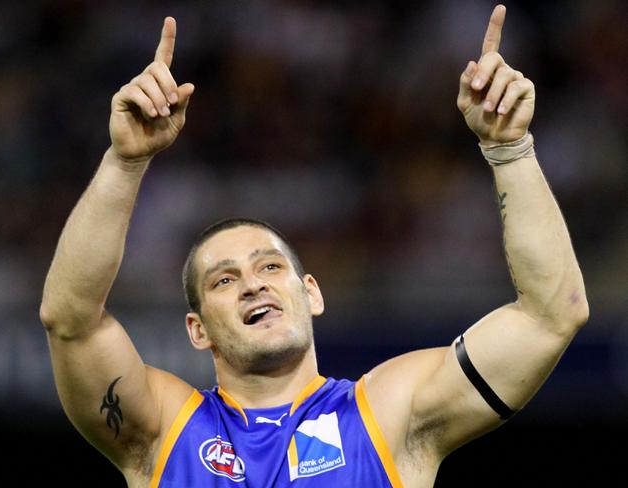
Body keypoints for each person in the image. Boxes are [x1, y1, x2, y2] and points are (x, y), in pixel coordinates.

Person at [40, 5, 588, 487]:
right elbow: (71, 319)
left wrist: (511, 150)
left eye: (270, 266)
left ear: (312, 294)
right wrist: (124, 162)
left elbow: (550, 316)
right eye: (224, 280)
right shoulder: (161, 429)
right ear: (197, 329)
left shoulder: (391, 414)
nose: (253, 282)